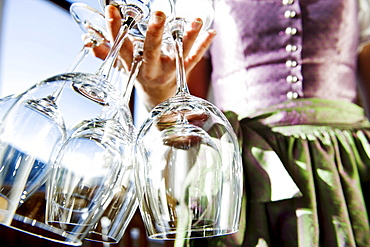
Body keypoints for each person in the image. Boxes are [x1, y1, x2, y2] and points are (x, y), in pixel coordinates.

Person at [94, 0, 370, 246]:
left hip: (347, 164)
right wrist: (157, 91)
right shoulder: (198, 6)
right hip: (240, 166)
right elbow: (184, 127)